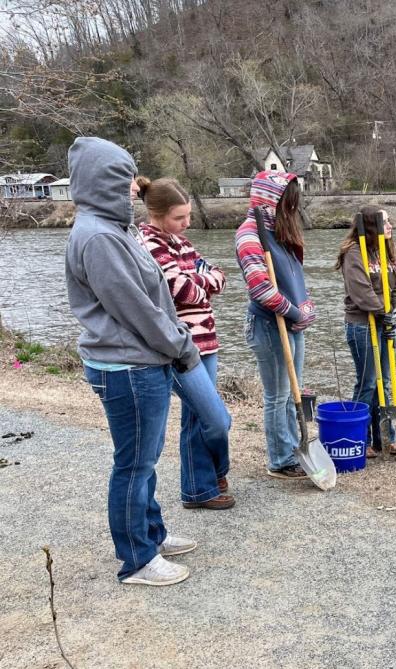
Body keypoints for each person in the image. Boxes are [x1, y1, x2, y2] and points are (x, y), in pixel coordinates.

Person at [65, 137, 197, 586]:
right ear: (101, 182)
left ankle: (152, 534)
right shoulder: (99, 237)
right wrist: (180, 344)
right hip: (128, 367)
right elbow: (136, 308)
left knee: (145, 456)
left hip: (139, 362)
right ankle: (138, 559)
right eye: (124, 182)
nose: (134, 191)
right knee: (134, 463)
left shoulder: (112, 228)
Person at [137, 177, 234, 510]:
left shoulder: (182, 242)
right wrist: (201, 279)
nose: (187, 223)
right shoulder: (149, 244)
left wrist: (200, 278)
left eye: (188, 216)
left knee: (196, 418)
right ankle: (217, 472)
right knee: (218, 419)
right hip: (180, 345)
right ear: (158, 214)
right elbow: (181, 290)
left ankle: (197, 489)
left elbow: (218, 274)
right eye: (179, 217)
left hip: (207, 341)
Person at [236, 171, 316, 478]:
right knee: (278, 395)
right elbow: (261, 287)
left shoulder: (281, 233)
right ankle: (281, 459)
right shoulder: (249, 233)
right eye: (290, 203)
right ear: (274, 201)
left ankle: (295, 449)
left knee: (291, 392)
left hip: (292, 324)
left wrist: (306, 307)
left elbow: (293, 280)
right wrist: (296, 313)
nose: (294, 210)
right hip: (269, 325)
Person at [335, 206, 396, 458]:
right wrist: (382, 312)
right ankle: (360, 437)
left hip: (387, 322)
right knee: (367, 382)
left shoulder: (389, 250)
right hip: (362, 324)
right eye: (385, 222)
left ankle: (385, 438)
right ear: (371, 225)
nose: (390, 226)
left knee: (386, 382)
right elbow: (361, 292)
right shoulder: (354, 253)